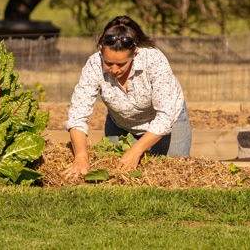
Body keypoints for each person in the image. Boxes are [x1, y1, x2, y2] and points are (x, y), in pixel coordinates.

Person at [62, 15, 192, 179]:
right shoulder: (94, 64)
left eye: (121, 64)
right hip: (121, 124)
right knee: (117, 177)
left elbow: (165, 116)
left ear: (134, 53)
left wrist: (136, 151)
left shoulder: (154, 60)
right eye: (108, 63)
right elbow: (77, 115)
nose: (114, 70)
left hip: (166, 122)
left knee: (172, 175)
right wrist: (81, 156)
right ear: (101, 49)